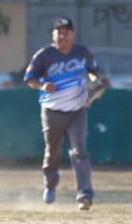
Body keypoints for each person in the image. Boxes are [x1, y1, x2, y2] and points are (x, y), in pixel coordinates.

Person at [23, 18, 107, 210]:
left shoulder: (82, 53)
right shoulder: (45, 55)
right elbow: (29, 78)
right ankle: (50, 185)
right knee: (53, 150)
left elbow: (94, 72)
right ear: (53, 36)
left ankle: (85, 195)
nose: (63, 36)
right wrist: (43, 85)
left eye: (66, 32)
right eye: (59, 32)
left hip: (77, 110)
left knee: (79, 151)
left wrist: (95, 82)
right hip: (52, 110)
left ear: (73, 34)